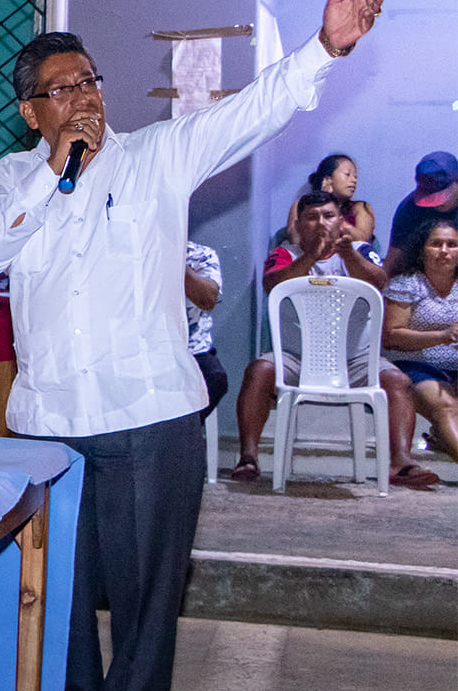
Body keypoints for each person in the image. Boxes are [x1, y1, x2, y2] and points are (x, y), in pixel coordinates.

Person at [0, 0, 385, 691]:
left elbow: (252, 111)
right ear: (31, 111)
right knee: (60, 589)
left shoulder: (158, 153)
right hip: (50, 422)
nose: (84, 96)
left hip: (150, 414)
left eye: (90, 79)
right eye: (62, 88)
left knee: (146, 593)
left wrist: (324, 49)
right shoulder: (13, 177)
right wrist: (56, 171)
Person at [228, 191, 432, 489]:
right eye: (312, 217)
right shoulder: (285, 253)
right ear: (299, 224)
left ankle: (401, 463)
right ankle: (248, 458)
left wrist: (347, 255)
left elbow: (379, 282)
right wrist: (311, 256)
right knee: (259, 370)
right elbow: (272, 284)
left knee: (397, 381)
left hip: (356, 360)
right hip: (296, 358)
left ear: (341, 221)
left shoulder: (361, 250)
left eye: (328, 216)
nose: (321, 223)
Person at [381, 215, 458, 464]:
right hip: (415, 366)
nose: (444, 251)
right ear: (422, 249)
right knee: (445, 406)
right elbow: (392, 336)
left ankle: (442, 437)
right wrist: (441, 337)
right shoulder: (407, 284)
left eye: (452, 244)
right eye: (436, 244)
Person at [286, 153, 376, 246]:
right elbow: (295, 239)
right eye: (347, 174)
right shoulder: (301, 205)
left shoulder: (361, 207)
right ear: (328, 179)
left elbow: (362, 241)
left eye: (355, 177)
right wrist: (323, 201)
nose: (354, 180)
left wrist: (335, 217)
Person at [184, 241, 229, 419]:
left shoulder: (201, 254)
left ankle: (182, 430)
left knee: (215, 378)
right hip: (147, 347)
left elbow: (208, 299)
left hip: (192, 348)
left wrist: (177, 262)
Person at [391, 151, 458, 257]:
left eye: (441, 195)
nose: (436, 204)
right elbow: (393, 259)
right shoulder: (409, 209)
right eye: (428, 196)